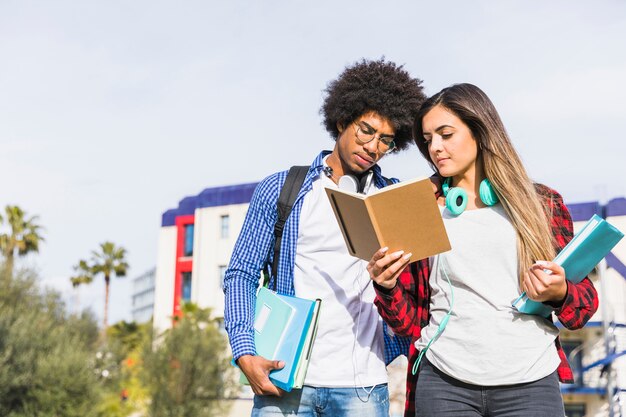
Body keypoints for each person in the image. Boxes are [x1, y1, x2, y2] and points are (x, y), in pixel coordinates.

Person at [368, 83, 599, 417]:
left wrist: (560, 291)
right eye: (428, 139)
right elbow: (404, 323)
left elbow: (583, 308)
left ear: (479, 131)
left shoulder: (541, 205)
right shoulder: (420, 209)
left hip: (531, 379)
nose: (435, 147)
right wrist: (386, 285)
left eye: (446, 134)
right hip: (443, 382)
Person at [223, 58, 426, 416]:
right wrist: (244, 351)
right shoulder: (282, 189)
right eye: (366, 130)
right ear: (341, 120)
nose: (374, 146)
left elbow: (420, 291)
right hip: (284, 380)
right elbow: (240, 274)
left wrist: (392, 344)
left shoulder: (393, 202)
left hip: (363, 388)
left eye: (386, 141)